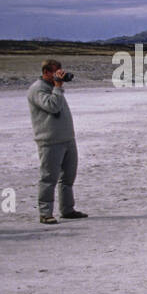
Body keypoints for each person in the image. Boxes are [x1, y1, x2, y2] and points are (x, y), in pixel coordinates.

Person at [27, 59, 87, 224]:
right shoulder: (37, 89)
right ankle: (45, 213)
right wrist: (58, 87)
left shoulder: (53, 88)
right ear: (46, 72)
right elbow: (52, 106)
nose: (59, 75)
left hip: (67, 139)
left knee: (68, 178)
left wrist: (57, 86)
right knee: (48, 178)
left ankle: (67, 209)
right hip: (50, 141)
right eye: (56, 72)